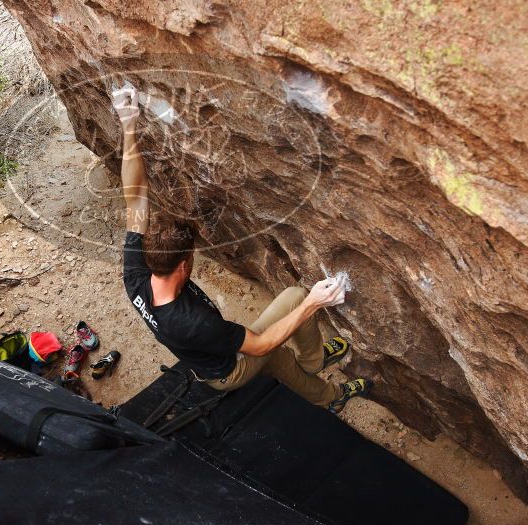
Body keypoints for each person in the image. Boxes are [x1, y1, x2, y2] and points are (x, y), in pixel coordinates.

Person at [114, 85, 370, 413]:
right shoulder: (194, 322)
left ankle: (314, 360)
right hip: (226, 371)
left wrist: (129, 124)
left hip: (208, 352)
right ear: (183, 264)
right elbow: (260, 344)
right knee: (275, 349)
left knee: (292, 298)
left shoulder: (137, 271)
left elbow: (134, 194)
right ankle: (331, 397)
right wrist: (315, 303)